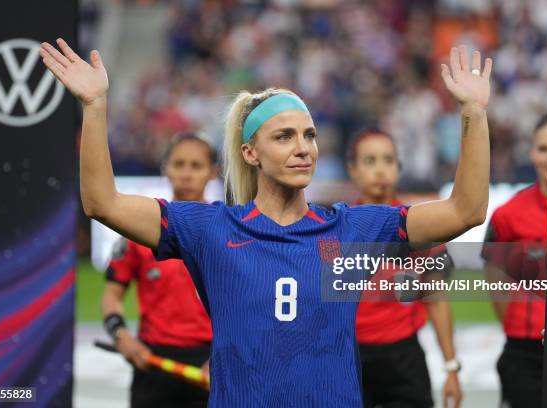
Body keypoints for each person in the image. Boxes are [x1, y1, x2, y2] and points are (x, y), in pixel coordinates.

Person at [40, 39, 491, 407]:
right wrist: (95, 106)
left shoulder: (354, 229)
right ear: (250, 153)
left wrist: (473, 113)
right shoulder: (208, 229)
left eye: (310, 135)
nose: (304, 148)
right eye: (285, 136)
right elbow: (101, 202)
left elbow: (464, 211)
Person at [347, 130, 462, 408]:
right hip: (348, 358)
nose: (380, 169)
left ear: (399, 167)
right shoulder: (336, 228)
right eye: (370, 160)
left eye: (388, 160)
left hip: (405, 358)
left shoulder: (419, 227)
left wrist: (451, 368)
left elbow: (435, 298)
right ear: (352, 169)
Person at [101, 132, 216, 407]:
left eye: (196, 166)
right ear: (165, 168)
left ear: (214, 172)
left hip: (211, 364)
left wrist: (224, 358)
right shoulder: (138, 232)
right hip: (152, 365)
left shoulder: (227, 230)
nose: (186, 174)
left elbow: (247, 307)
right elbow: (111, 297)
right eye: (179, 164)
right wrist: (121, 337)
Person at [482, 114, 547, 408]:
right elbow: (494, 274)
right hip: (523, 352)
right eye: (543, 149)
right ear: (531, 153)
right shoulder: (508, 214)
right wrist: (515, 323)